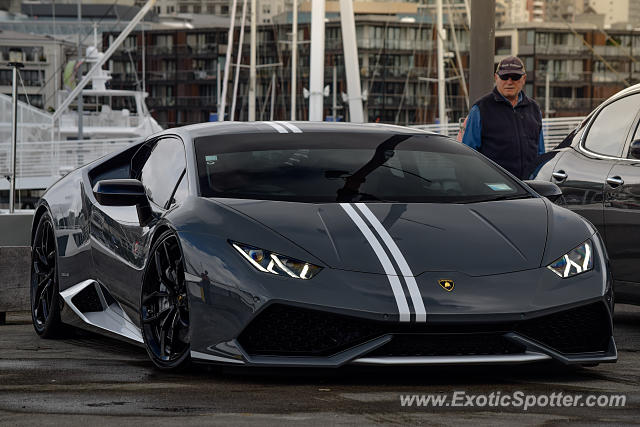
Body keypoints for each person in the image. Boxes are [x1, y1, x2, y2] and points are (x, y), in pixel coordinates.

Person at [462, 56, 545, 179]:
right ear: (496, 78)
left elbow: (540, 152)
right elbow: (468, 155)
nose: (509, 82)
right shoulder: (480, 109)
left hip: (529, 187)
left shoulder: (534, 109)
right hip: (495, 187)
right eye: (504, 77)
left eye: (515, 77)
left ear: (524, 79)